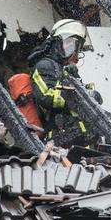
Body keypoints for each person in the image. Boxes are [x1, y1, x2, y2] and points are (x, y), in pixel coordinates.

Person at [27, 19, 101, 147]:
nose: (75, 54)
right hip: (60, 140)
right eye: (70, 45)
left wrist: (91, 93)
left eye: (76, 48)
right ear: (57, 44)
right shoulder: (44, 66)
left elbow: (77, 92)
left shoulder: (62, 69)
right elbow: (46, 96)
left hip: (78, 138)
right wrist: (80, 96)